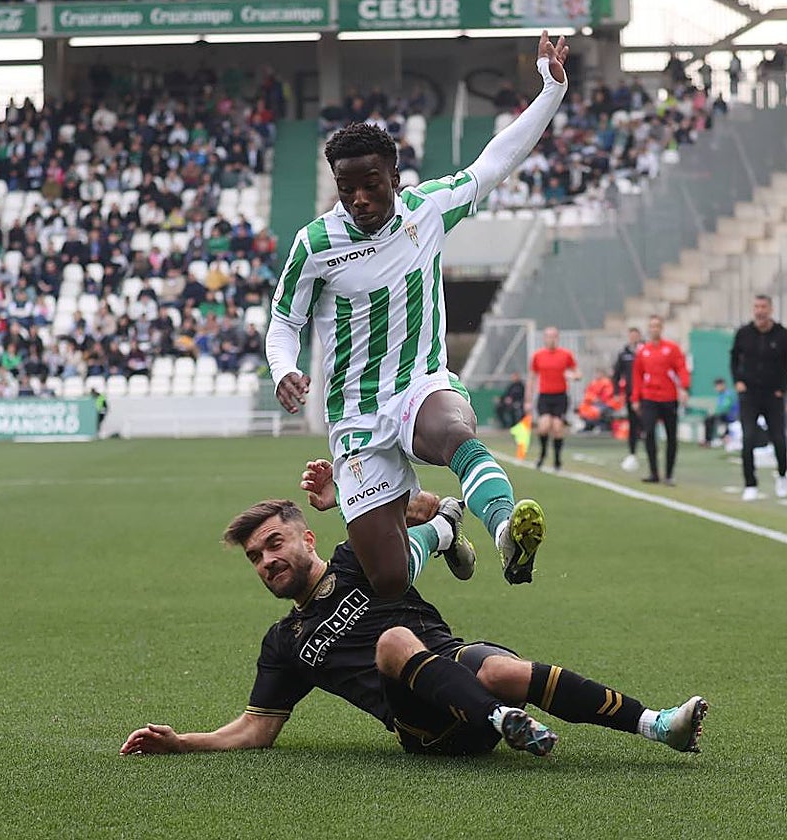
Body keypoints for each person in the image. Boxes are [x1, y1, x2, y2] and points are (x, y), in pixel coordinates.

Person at [119, 460, 708, 760]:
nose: (266, 561)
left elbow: (419, 507)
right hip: (426, 728)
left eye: (274, 544)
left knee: (500, 669)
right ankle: (505, 720)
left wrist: (349, 499)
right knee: (394, 641)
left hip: (459, 669)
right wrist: (183, 743)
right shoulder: (286, 641)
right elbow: (255, 729)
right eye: (255, 557)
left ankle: (657, 725)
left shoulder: (359, 559)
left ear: (307, 539)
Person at [267, 32, 572, 596]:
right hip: (354, 414)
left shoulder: (426, 210)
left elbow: (493, 163)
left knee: (453, 431)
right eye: (347, 187)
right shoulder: (315, 243)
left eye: (371, 185)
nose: (359, 198)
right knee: (386, 579)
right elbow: (285, 321)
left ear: (394, 179)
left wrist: (550, 90)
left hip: (418, 383)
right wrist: (283, 367)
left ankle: (506, 529)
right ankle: (441, 528)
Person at [730, 294, 787, 500]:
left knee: (779, 439)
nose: (760, 311)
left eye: (763, 307)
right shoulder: (744, 334)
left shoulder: (781, 335)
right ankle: (750, 483)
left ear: (771, 309)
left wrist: (782, 388)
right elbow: (734, 357)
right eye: (756, 307)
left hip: (773, 394)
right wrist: (738, 380)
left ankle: (782, 476)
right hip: (750, 394)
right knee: (748, 438)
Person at [631, 315, 690, 486]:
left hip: (669, 398)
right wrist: (635, 398)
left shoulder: (672, 349)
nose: (654, 329)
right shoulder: (643, 351)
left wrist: (684, 387)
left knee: (671, 436)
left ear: (662, 328)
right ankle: (653, 471)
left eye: (657, 326)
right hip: (649, 397)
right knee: (649, 432)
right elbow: (637, 376)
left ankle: (669, 473)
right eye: (651, 326)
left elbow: (681, 368)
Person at [527, 325, 579, 470]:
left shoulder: (566, 355)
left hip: (560, 396)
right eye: (548, 336)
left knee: (557, 427)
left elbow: (577, 373)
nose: (551, 339)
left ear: (557, 338)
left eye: (553, 336)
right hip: (544, 396)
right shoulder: (538, 356)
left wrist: (573, 376)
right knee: (543, 427)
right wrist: (528, 400)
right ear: (544, 338)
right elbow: (531, 378)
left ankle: (557, 460)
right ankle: (542, 454)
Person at [613, 327, 644, 471]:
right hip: (631, 394)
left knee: (647, 423)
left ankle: (651, 452)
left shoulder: (645, 351)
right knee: (633, 424)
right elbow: (617, 374)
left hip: (647, 393)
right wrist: (617, 392)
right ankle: (632, 453)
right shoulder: (624, 354)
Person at [703, 378, 738, 448]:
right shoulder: (721, 395)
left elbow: (726, 407)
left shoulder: (728, 394)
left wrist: (714, 413)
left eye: (718, 386)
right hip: (724, 415)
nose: (716, 388)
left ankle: (711, 440)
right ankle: (711, 440)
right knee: (709, 419)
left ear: (723, 385)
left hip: (730, 415)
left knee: (711, 419)